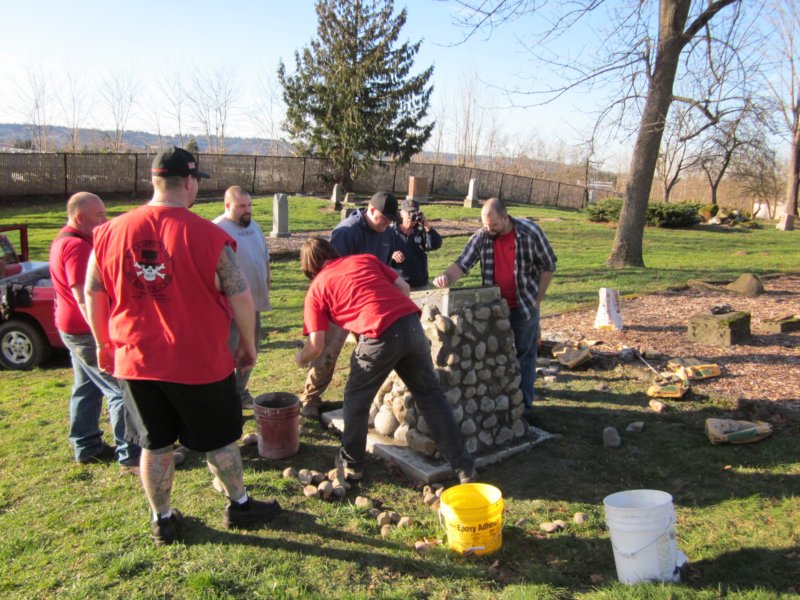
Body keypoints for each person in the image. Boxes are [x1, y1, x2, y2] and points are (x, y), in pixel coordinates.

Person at [84, 146, 281, 546]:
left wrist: (104, 342)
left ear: (153, 182)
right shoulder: (210, 236)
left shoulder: (108, 233)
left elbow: (92, 292)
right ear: (189, 182)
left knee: (154, 446)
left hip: (137, 361)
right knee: (220, 440)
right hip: (200, 363)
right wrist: (247, 345)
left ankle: (162, 519)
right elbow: (240, 296)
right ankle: (239, 506)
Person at [295, 237, 476, 484]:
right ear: (331, 252)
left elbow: (316, 345)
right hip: (411, 325)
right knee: (431, 397)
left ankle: (352, 465)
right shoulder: (365, 259)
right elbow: (404, 289)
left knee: (356, 400)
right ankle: (464, 468)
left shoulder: (317, 287)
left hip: (379, 336)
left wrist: (300, 359)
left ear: (309, 267)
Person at [433, 197, 557, 417]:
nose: (489, 229)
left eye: (494, 225)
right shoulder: (483, 235)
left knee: (524, 356)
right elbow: (463, 264)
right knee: (495, 355)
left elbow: (548, 265)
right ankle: (499, 403)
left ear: (505, 217)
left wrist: (538, 299)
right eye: (485, 225)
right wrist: (445, 277)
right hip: (495, 308)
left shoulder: (530, 232)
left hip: (524, 306)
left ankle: (523, 408)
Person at [49, 192, 141, 473]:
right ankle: (130, 455)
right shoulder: (76, 248)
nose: (105, 219)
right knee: (119, 388)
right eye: (99, 215)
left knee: (85, 387)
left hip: (70, 328)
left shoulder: (66, 239)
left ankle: (86, 445)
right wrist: (102, 338)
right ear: (79, 217)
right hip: (84, 330)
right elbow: (83, 295)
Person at [299, 191, 403, 419]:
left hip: (371, 304)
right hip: (342, 304)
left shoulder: (386, 231)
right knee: (328, 351)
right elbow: (331, 273)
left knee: (379, 350)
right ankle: (311, 399)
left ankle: (381, 397)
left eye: (390, 219)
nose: (386, 223)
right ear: (371, 210)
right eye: (383, 218)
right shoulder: (348, 231)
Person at [213, 186, 271, 409]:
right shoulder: (217, 229)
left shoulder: (254, 227)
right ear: (228, 206)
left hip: (253, 303)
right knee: (229, 350)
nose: (247, 210)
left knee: (251, 350)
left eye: (249, 205)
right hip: (229, 307)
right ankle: (224, 395)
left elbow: (263, 257)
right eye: (241, 206)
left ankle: (240, 391)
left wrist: (267, 281)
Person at [391, 198, 442, 290]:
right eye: (408, 212)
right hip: (398, 284)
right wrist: (392, 254)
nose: (411, 215)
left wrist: (426, 225)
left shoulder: (421, 230)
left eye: (414, 212)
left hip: (420, 284)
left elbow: (436, 245)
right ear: (401, 213)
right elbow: (380, 251)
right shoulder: (391, 231)